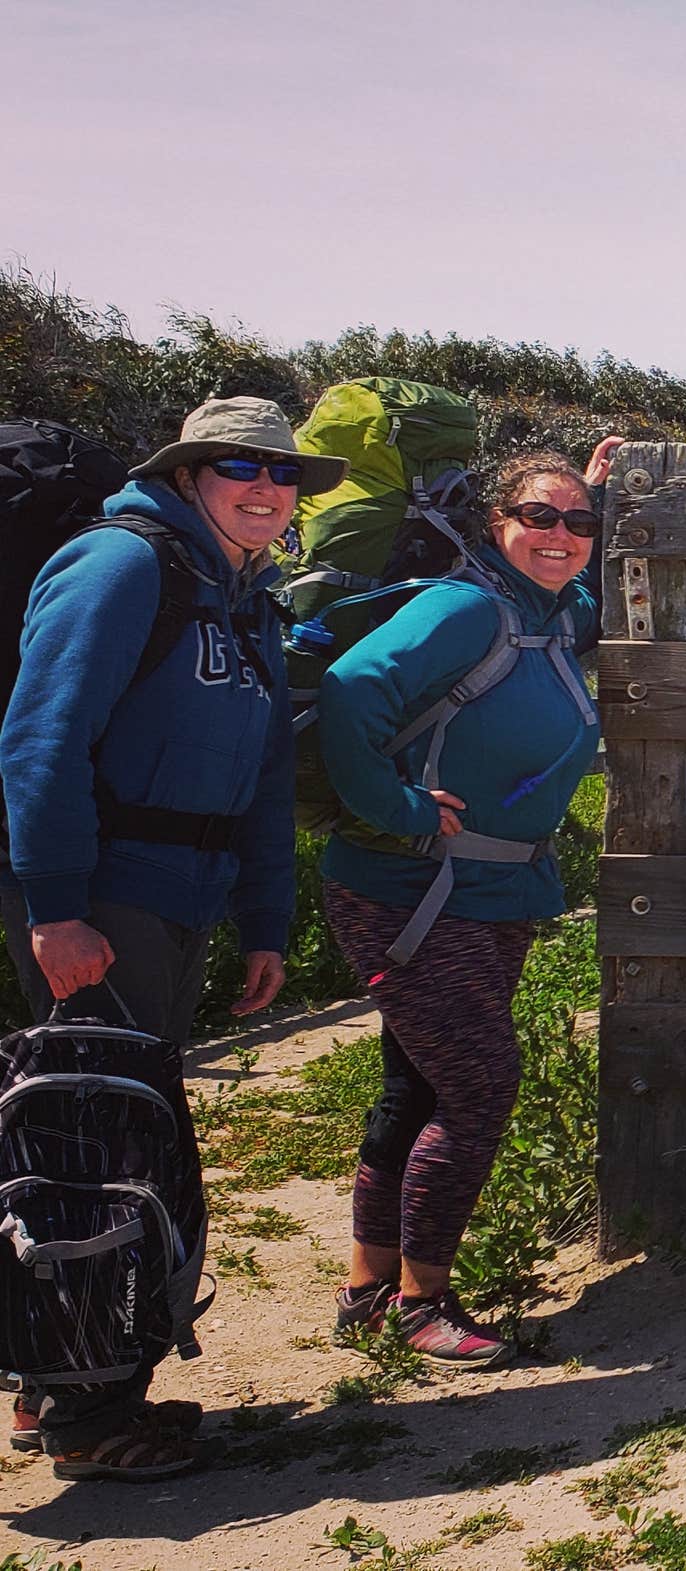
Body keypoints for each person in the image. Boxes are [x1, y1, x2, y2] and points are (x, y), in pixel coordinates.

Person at [0, 397, 340, 1479]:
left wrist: (267, 919)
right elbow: (40, 737)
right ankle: (88, 1420)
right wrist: (55, 905)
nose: (269, 489)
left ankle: (67, 1376)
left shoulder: (242, 598)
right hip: (102, 900)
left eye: (286, 476)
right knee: (91, 1152)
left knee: (117, 1138)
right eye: (241, 467)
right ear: (189, 471)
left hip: (178, 898)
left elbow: (266, 775)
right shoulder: (120, 566)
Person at [314, 450, 601, 1366]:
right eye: (539, 517)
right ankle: (420, 1302)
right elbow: (350, 690)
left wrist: (612, 498)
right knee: (479, 1085)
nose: (561, 536)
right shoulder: (468, 608)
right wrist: (396, 809)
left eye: (579, 522)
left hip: (488, 889)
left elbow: (599, 577)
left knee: (419, 1083)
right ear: (494, 523)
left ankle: (367, 1288)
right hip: (416, 888)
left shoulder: (555, 614)